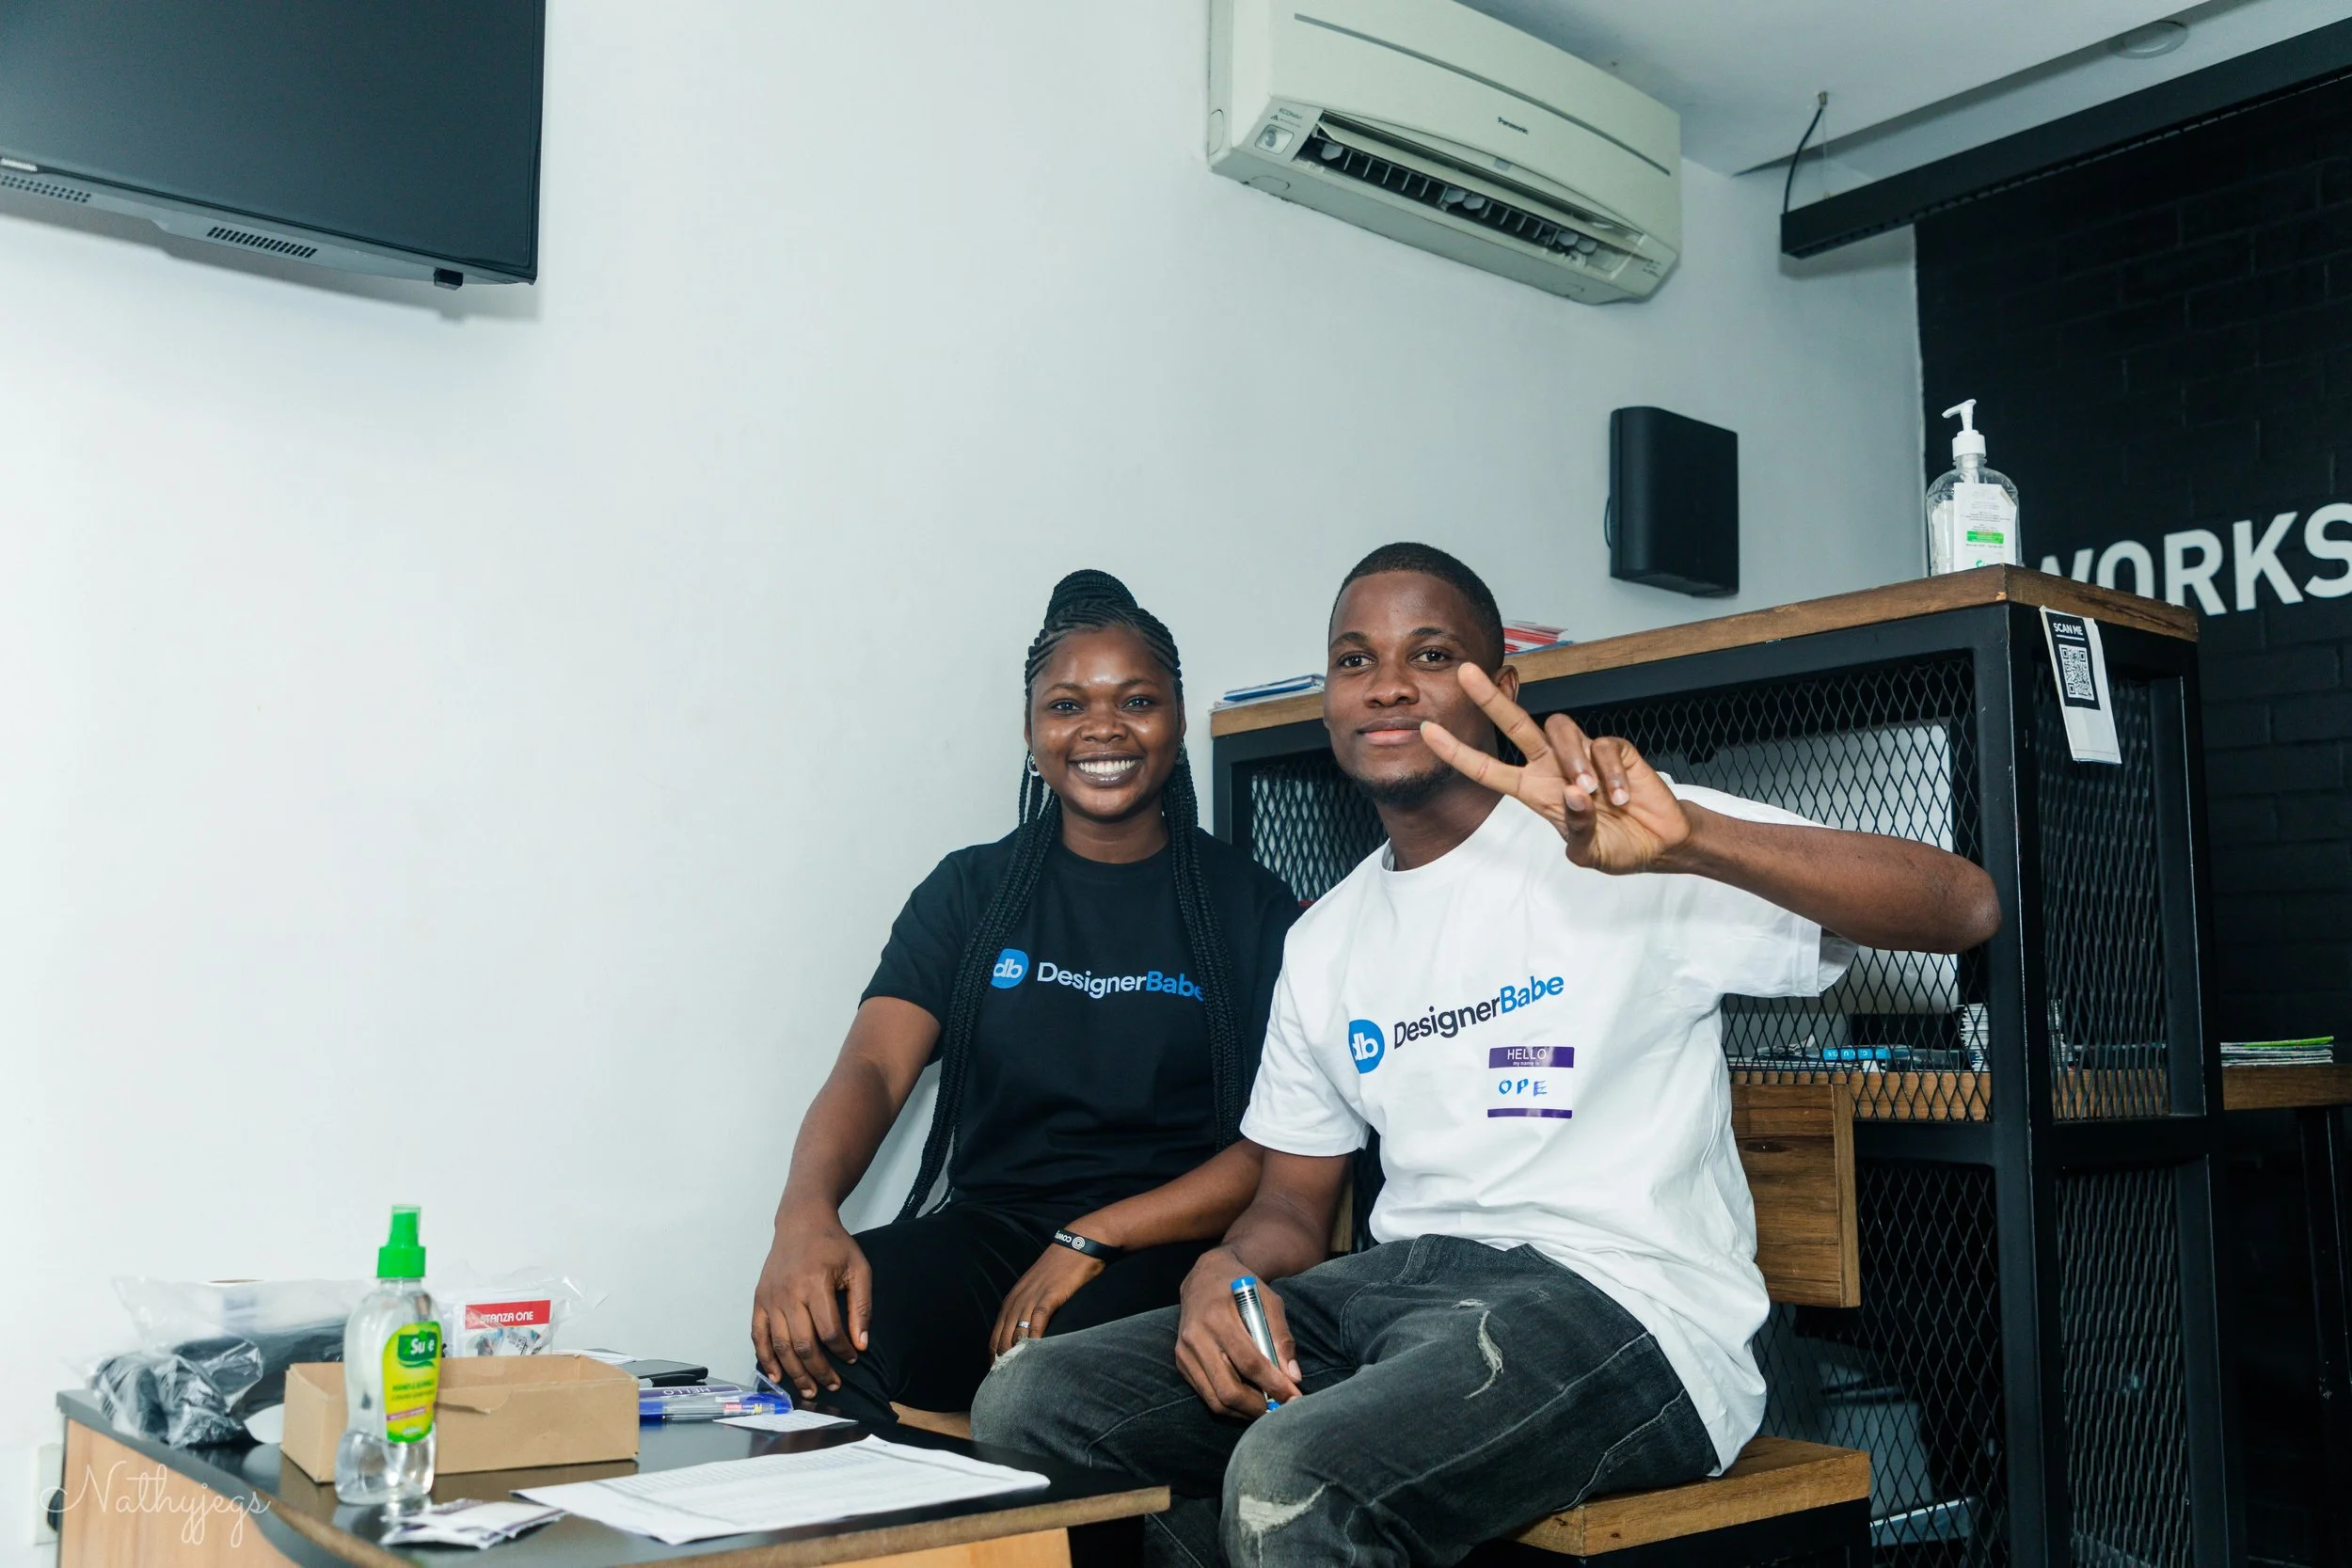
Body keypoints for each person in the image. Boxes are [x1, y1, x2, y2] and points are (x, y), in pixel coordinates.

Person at [974, 543, 2003, 1566]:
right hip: (1396, 1291)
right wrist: (1221, 1271)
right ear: (1327, 701)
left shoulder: (1621, 838)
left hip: (1620, 1304)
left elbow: (1964, 904)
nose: (1384, 683)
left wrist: (1692, 838)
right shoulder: (1324, 937)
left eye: (1428, 654)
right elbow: (1290, 1204)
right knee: (1034, 1404)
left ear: (1499, 686)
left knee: (1291, 1476)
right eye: (1352, 659)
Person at [751, 570, 1301, 1429]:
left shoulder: (1254, 906)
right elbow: (873, 1065)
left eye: (1137, 701)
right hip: (992, 1235)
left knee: (1060, 1376)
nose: (1103, 730)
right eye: (1068, 705)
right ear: (1030, 730)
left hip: (1166, 1250)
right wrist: (804, 1215)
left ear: (1179, 718)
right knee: (820, 1333)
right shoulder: (972, 889)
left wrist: (1095, 1236)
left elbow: (1277, 1147)